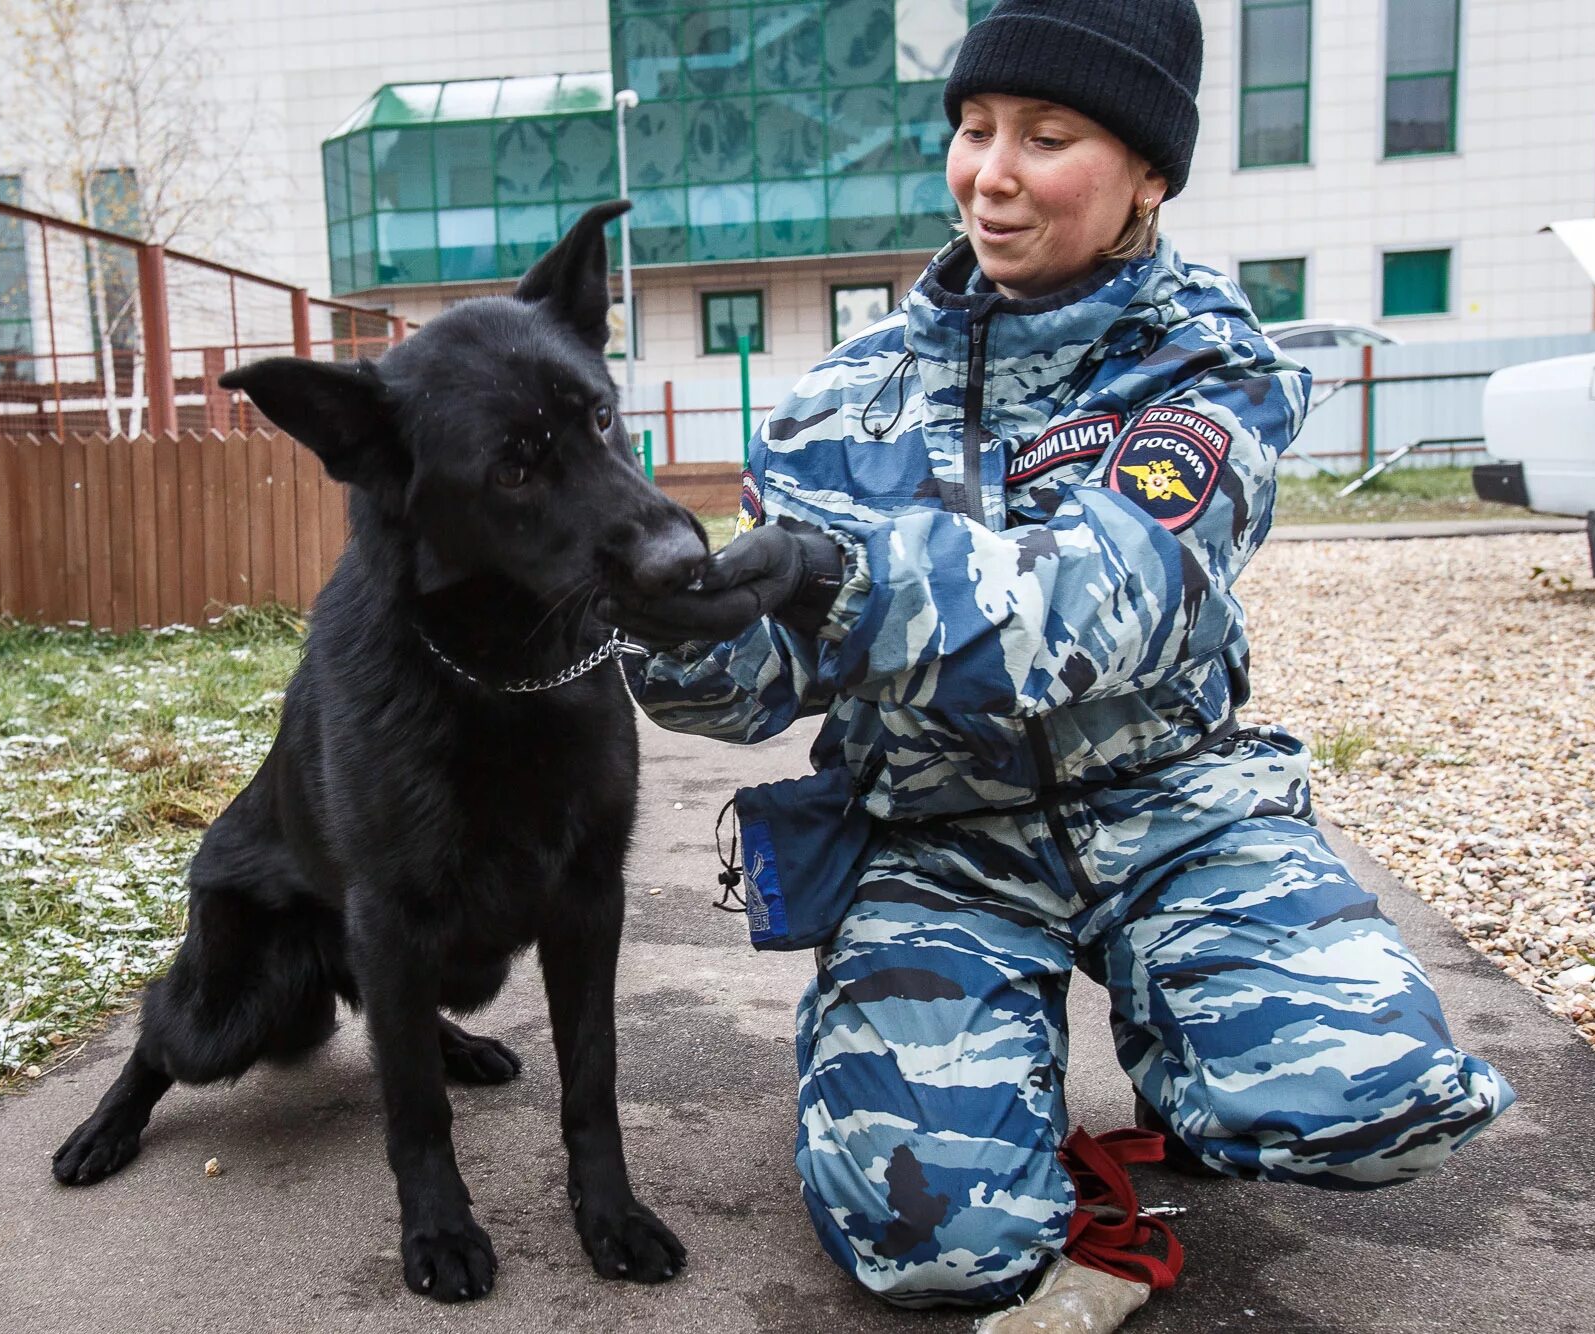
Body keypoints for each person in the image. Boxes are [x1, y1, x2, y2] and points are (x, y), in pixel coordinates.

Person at [605, 0, 1513, 1321]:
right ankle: (937, 1061)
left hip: (1173, 814)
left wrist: (844, 578)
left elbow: (1113, 599)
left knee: (1367, 1097)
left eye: (1048, 135)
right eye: (974, 129)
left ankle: (1192, 1040)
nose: (994, 172)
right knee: (937, 1247)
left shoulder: (1202, 364)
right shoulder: (837, 405)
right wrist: (665, 618)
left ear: (1149, 171)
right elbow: (762, 684)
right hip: (936, 837)